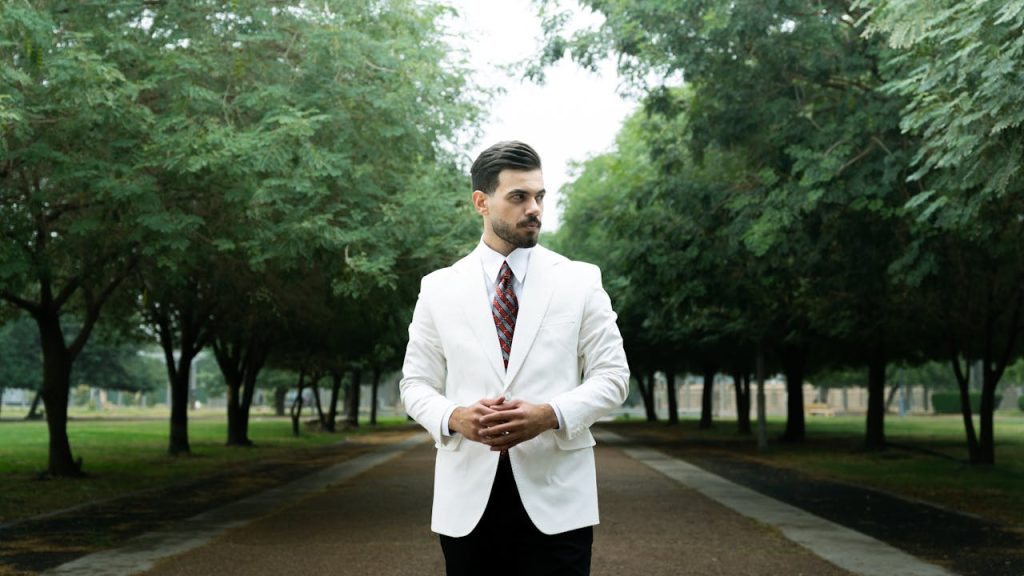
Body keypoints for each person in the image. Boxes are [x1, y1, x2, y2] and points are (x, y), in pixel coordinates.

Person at [400, 141, 630, 575]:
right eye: (519, 197)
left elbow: (614, 376)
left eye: (540, 196)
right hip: (467, 500)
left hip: (558, 499)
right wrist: (455, 417)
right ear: (481, 203)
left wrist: (549, 414)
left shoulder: (580, 281)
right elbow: (415, 384)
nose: (534, 209)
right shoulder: (438, 287)